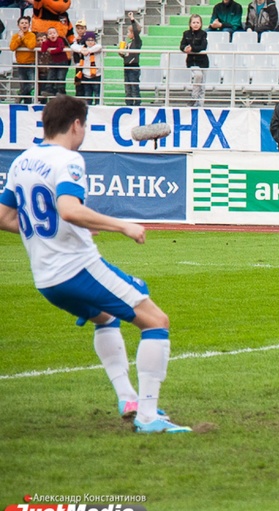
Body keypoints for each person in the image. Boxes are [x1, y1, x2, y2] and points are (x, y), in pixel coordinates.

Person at [0, 95, 191, 433]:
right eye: (84, 125)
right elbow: (69, 209)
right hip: (77, 268)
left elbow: (4, 217)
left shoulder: (21, 162)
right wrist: (123, 226)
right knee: (156, 321)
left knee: (105, 317)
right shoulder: (69, 160)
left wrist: (59, 231)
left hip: (46, 279)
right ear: (76, 124)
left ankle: (128, 399)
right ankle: (148, 417)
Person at [180, 14, 209, 107]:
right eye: (194, 22)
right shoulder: (186, 34)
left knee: (202, 85)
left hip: (203, 62)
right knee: (198, 75)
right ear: (190, 24)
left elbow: (203, 46)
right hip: (192, 61)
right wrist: (185, 48)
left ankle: (200, 105)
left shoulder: (203, 34)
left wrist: (192, 48)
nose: (196, 24)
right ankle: (194, 97)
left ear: (201, 24)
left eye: (197, 22)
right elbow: (182, 45)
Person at [9, 15, 36, 104]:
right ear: (18, 25)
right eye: (22, 23)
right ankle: (27, 103)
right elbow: (12, 47)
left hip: (30, 63)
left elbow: (31, 46)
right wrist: (19, 39)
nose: (24, 24)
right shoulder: (15, 36)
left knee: (32, 84)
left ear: (29, 25)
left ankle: (20, 95)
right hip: (20, 64)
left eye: (26, 23)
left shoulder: (31, 35)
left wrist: (23, 38)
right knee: (23, 84)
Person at [119, 12, 142, 106]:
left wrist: (132, 19)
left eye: (128, 32)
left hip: (133, 67)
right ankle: (129, 103)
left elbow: (136, 31)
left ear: (133, 33)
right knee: (128, 87)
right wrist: (122, 55)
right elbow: (128, 56)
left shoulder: (137, 42)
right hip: (127, 66)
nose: (127, 34)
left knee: (134, 86)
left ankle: (136, 103)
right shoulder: (129, 43)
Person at [74, 31, 102, 105]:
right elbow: (73, 46)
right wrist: (81, 50)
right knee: (87, 94)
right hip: (86, 75)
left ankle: (98, 107)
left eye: (92, 40)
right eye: (88, 40)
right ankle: (88, 107)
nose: (90, 42)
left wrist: (88, 51)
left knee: (97, 94)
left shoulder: (96, 47)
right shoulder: (83, 48)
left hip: (96, 75)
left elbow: (99, 47)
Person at [40, 26, 69, 96]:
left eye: (54, 33)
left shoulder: (60, 40)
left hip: (62, 61)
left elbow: (61, 48)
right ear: (47, 36)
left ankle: (61, 92)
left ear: (57, 34)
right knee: (50, 76)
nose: (52, 35)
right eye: (50, 33)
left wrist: (52, 51)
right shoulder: (48, 42)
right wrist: (44, 42)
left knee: (60, 77)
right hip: (53, 62)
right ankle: (49, 90)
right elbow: (43, 50)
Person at [70, 18, 87, 98]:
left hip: (86, 65)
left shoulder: (88, 39)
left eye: (82, 28)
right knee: (78, 83)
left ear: (85, 29)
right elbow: (73, 47)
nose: (80, 30)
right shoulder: (75, 40)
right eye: (78, 28)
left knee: (86, 84)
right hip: (78, 65)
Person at [34, 31, 50, 102]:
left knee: (49, 89)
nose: (41, 42)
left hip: (49, 72)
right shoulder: (35, 50)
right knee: (40, 89)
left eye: (42, 39)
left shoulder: (50, 48)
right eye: (38, 40)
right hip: (39, 72)